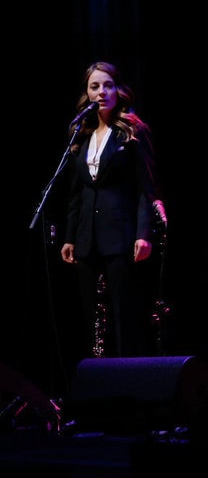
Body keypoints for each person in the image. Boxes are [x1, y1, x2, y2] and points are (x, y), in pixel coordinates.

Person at [61, 61, 159, 359]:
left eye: (107, 85)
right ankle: (99, 375)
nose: (101, 91)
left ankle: (128, 376)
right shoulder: (81, 133)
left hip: (121, 234)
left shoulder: (132, 130)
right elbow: (77, 192)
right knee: (92, 316)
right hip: (87, 237)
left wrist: (144, 233)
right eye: (95, 86)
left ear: (118, 90)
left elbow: (147, 187)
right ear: (87, 93)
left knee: (123, 311)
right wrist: (70, 236)